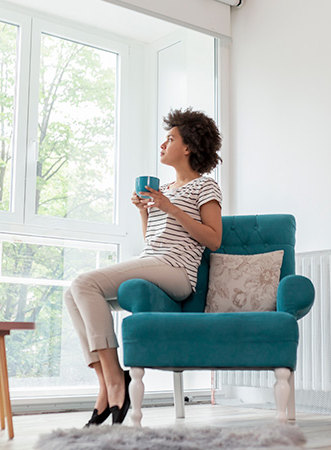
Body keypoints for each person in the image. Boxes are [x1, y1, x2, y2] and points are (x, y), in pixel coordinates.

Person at [63, 108, 223, 427]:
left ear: (188, 146)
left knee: (83, 283)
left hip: (177, 271)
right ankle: (106, 387)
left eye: (170, 139)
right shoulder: (163, 190)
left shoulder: (206, 187)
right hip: (154, 260)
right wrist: (145, 213)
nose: (163, 145)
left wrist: (169, 207)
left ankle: (115, 382)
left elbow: (213, 239)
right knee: (72, 294)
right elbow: (155, 240)